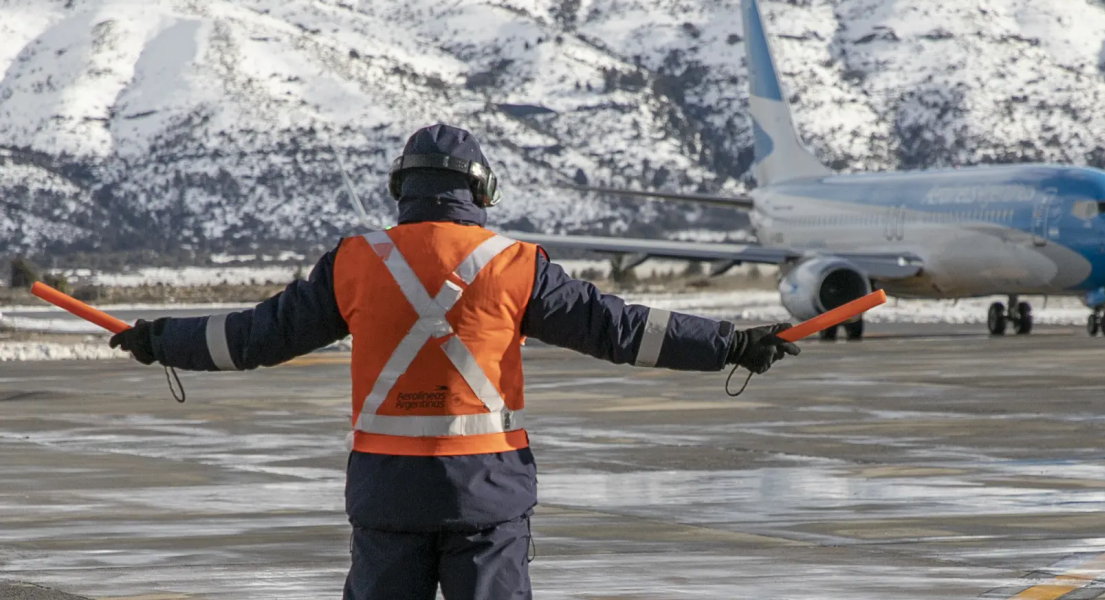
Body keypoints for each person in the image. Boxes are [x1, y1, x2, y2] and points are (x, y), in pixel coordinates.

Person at [108, 124, 800, 600]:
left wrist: (159, 339)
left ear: (400, 188)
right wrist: (729, 343)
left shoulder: (354, 262)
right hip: (487, 496)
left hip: (385, 496)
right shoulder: (515, 265)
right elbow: (620, 330)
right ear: (482, 191)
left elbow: (254, 338)